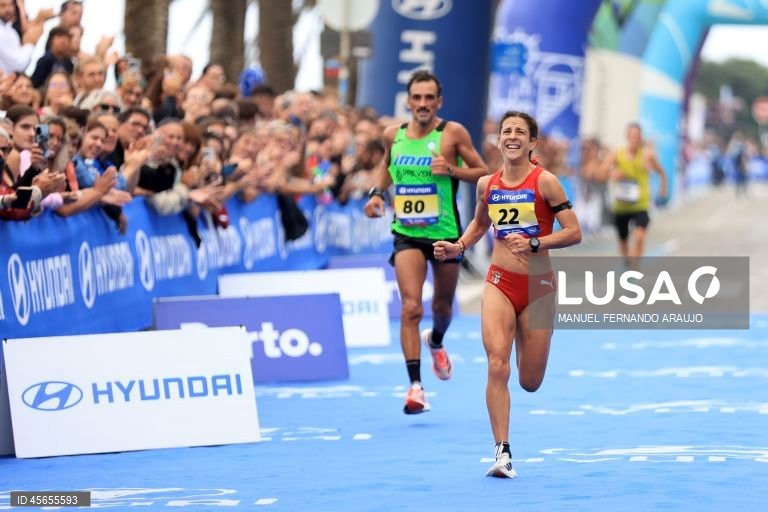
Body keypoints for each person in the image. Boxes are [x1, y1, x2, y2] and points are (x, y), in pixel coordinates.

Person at [433, 111, 581, 478]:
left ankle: (531, 337)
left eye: (520, 132)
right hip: (499, 282)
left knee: (530, 380)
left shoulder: (546, 182)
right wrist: (460, 246)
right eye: (506, 130)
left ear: (532, 143)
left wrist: (535, 242)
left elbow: (574, 232)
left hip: (539, 288)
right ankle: (502, 452)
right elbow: (482, 222)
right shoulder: (487, 184)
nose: (512, 136)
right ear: (498, 139)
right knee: (497, 364)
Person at [363, 70, 488, 415]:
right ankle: (415, 387)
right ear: (408, 100)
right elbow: (386, 166)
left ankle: (436, 341)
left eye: (428, 98)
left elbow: (484, 171)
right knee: (410, 308)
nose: (422, 104)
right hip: (407, 233)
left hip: (445, 233)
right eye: (416, 97)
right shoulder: (393, 135)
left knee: (442, 308)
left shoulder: (453, 133)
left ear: (438, 102)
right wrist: (376, 194)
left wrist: (453, 171)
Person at [599, 122, 667, 269]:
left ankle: (634, 268)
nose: (635, 139)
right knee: (623, 241)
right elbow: (602, 172)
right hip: (621, 205)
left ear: (641, 137)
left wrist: (663, 186)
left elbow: (661, 172)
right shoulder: (617, 154)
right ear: (627, 137)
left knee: (639, 237)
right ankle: (626, 261)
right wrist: (613, 174)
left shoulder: (647, 154)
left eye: (637, 136)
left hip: (640, 204)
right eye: (632, 136)